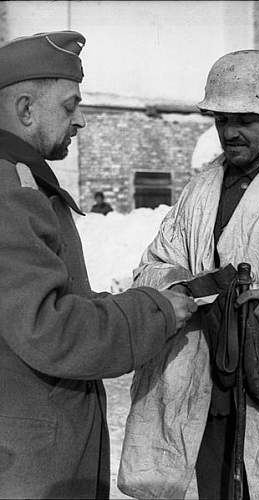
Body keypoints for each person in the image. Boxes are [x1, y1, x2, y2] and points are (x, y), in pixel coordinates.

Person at [0, 31, 197, 499]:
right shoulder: (11, 190)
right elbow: (48, 329)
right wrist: (157, 311)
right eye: (70, 106)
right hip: (29, 465)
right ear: (26, 110)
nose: (81, 120)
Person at [130, 50, 259, 499]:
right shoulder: (199, 189)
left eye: (245, 119)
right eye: (221, 118)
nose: (229, 132)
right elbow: (152, 264)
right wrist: (182, 285)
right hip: (207, 385)